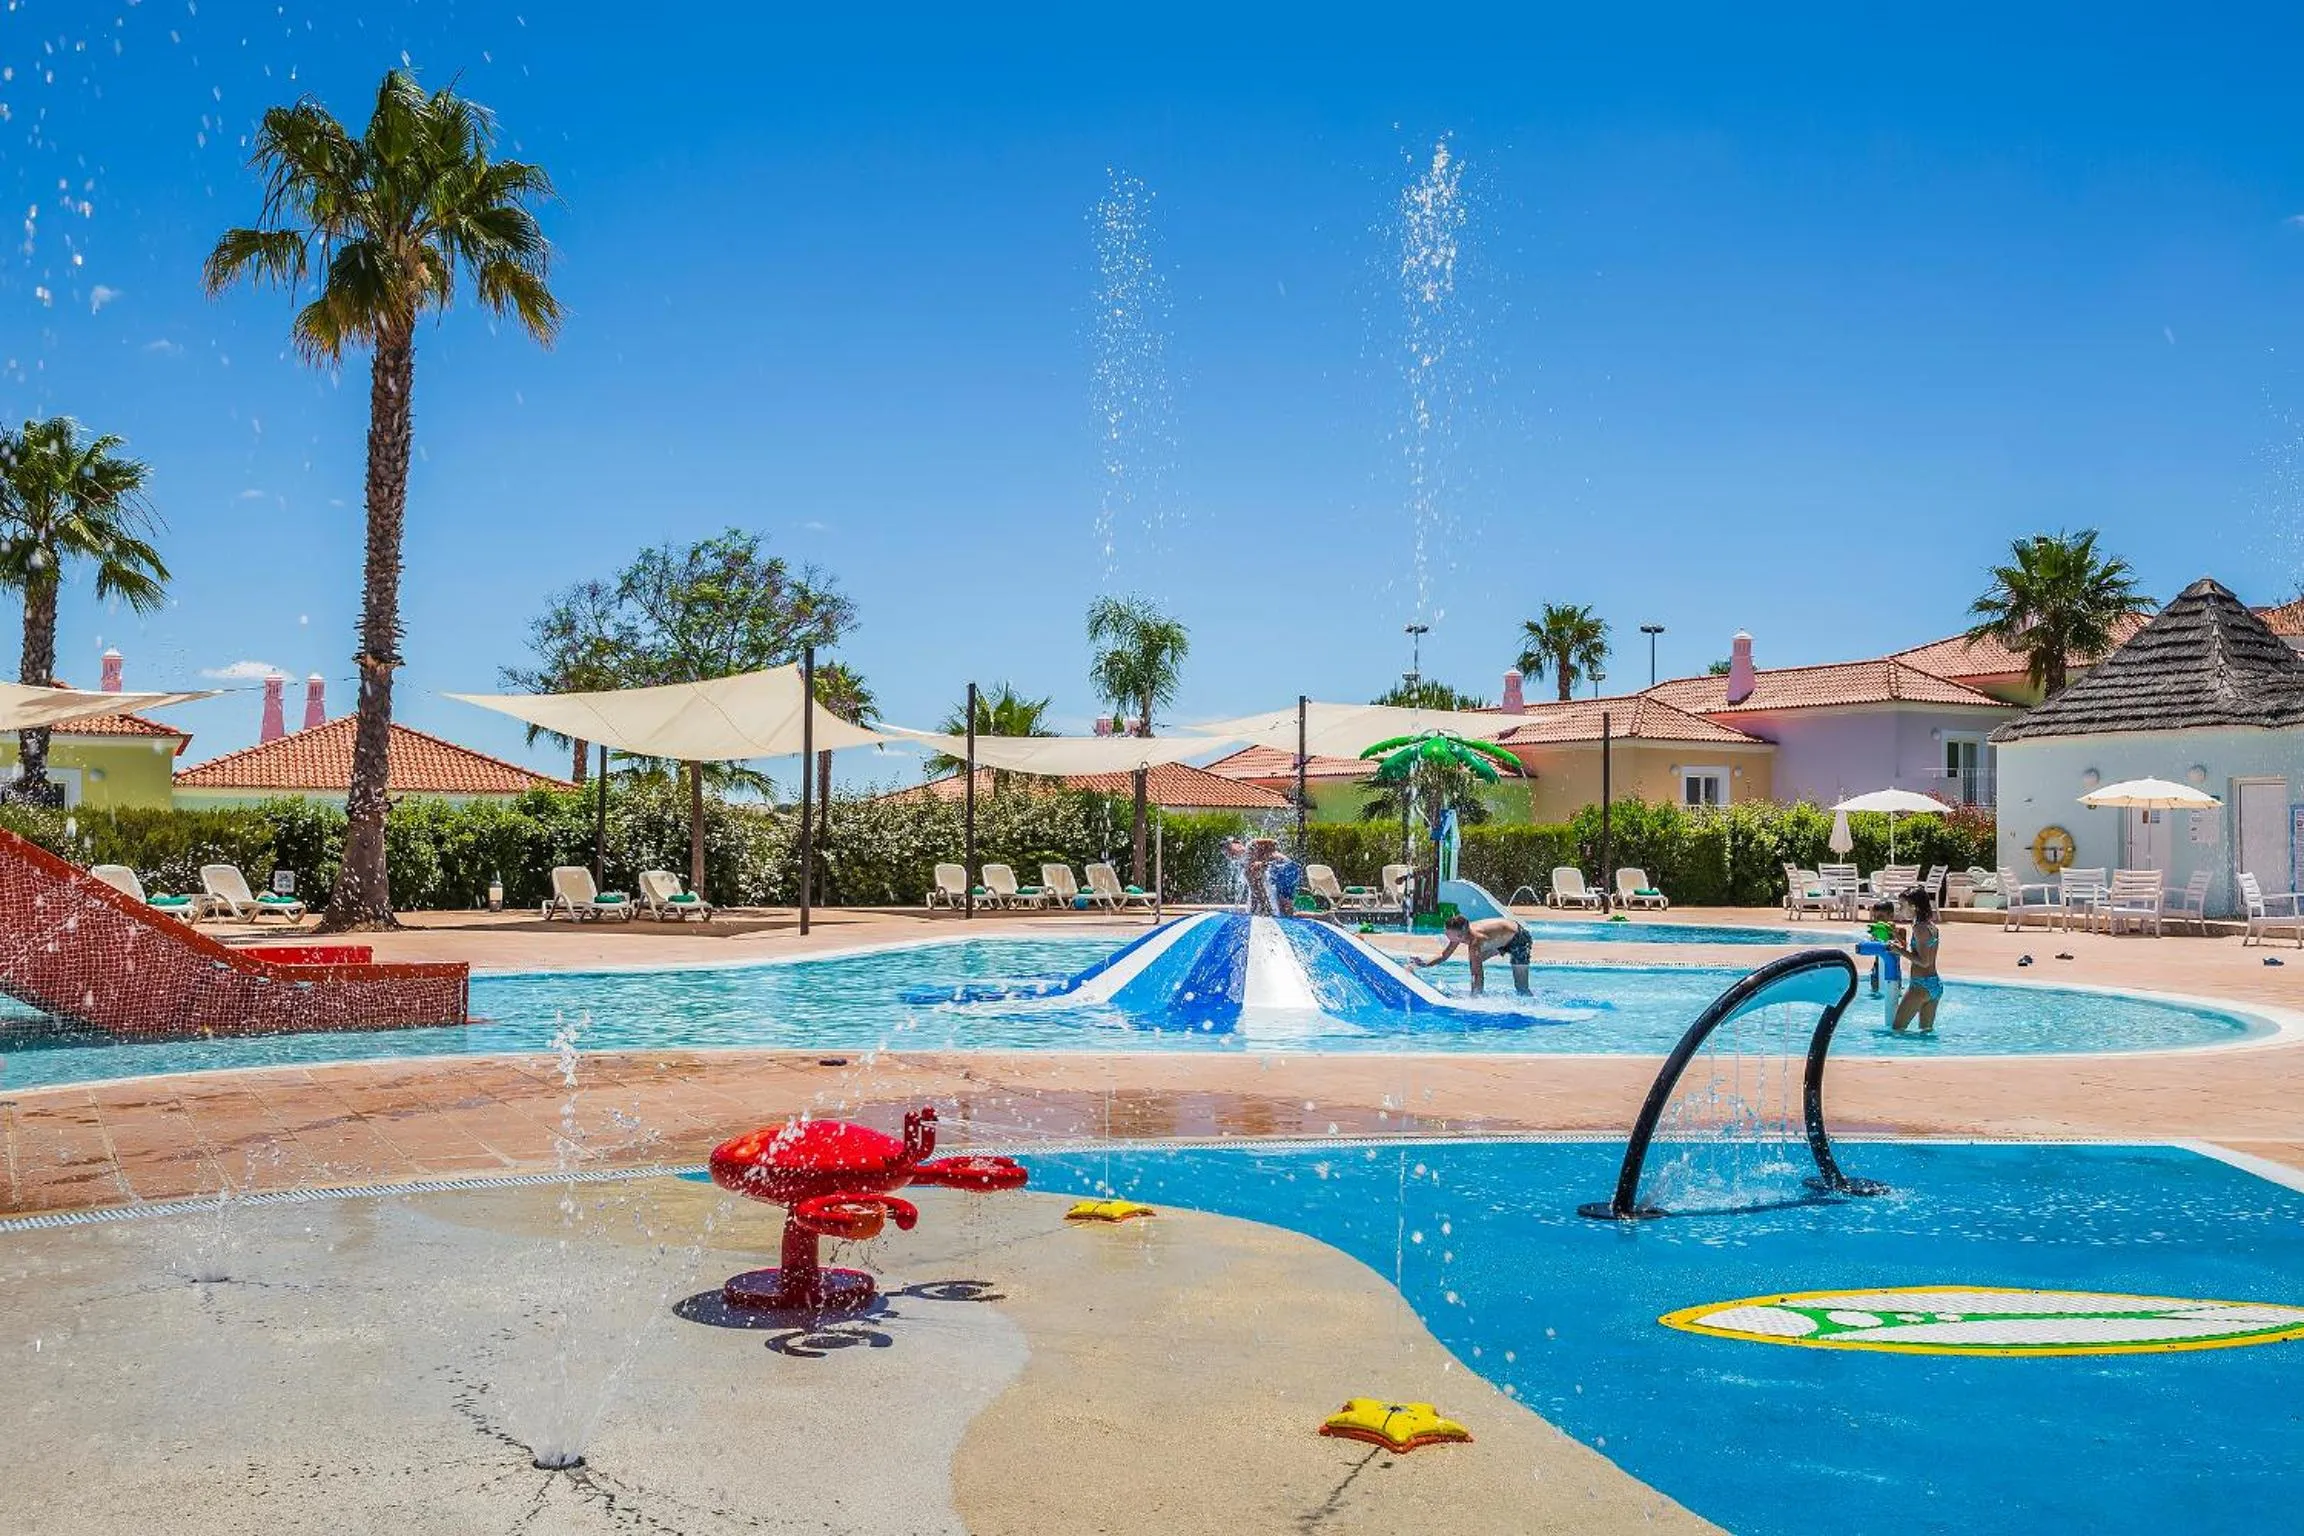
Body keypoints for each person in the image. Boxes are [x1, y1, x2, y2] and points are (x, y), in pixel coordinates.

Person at [1407, 912, 1533, 996]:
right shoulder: (1460, 934)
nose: (1445, 934)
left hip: (1519, 938)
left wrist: (1475, 1000)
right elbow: (1443, 955)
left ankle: (1530, 1003)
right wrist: (1422, 963)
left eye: (1447, 932)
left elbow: (1477, 974)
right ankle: (1498, 949)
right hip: (1500, 938)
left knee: (1521, 988)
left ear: (1460, 935)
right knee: (1476, 960)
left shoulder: (1474, 942)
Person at [1889, 886, 1942, 1035]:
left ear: (1914, 907)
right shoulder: (1931, 926)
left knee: (1897, 1030)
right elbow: (1921, 951)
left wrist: (1898, 950)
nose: (1899, 909)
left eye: (1902, 905)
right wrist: (1899, 941)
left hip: (1920, 986)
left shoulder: (1919, 928)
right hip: (1935, 984)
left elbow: (1924, 961)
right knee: (1926, 1033)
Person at [1864, 900, 1903, 998]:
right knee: (1875, 993)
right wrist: (1872, 939)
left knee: (1894, 995)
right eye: (1876, 918)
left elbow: (1904, 946)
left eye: (1881, 917)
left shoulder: (1900, 931)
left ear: (1891, 916)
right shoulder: (1875, 931)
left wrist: (1894, 933)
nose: (1879, 921)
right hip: (1877, 967)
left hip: (1894, 967)